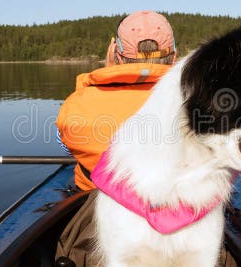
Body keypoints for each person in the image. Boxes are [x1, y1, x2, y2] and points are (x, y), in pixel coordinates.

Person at [56, 10, 177, 191]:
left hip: (96, 204)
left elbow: (67, 145)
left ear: (115, 54)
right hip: (172, 204)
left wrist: (105, 77)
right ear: (175, 57)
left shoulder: (77, 104)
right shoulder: (202, 102)